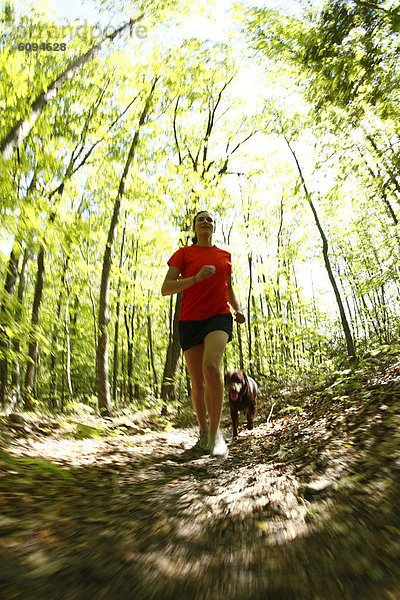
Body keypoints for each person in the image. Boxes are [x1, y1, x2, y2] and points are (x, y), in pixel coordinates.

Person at [161, 210, 245, 459]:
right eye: (201, 220)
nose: (205, 222)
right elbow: (166, 289)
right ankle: (203, 433)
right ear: (194, 228)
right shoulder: (184, 253)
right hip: (189, 320)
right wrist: (195, 278)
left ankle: (217, 436)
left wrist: (238, 309)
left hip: (219, 316)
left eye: (210, 220)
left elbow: (228, 288)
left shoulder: (225, 256)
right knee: (197, 384)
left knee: (211, 367)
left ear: (214, 228)